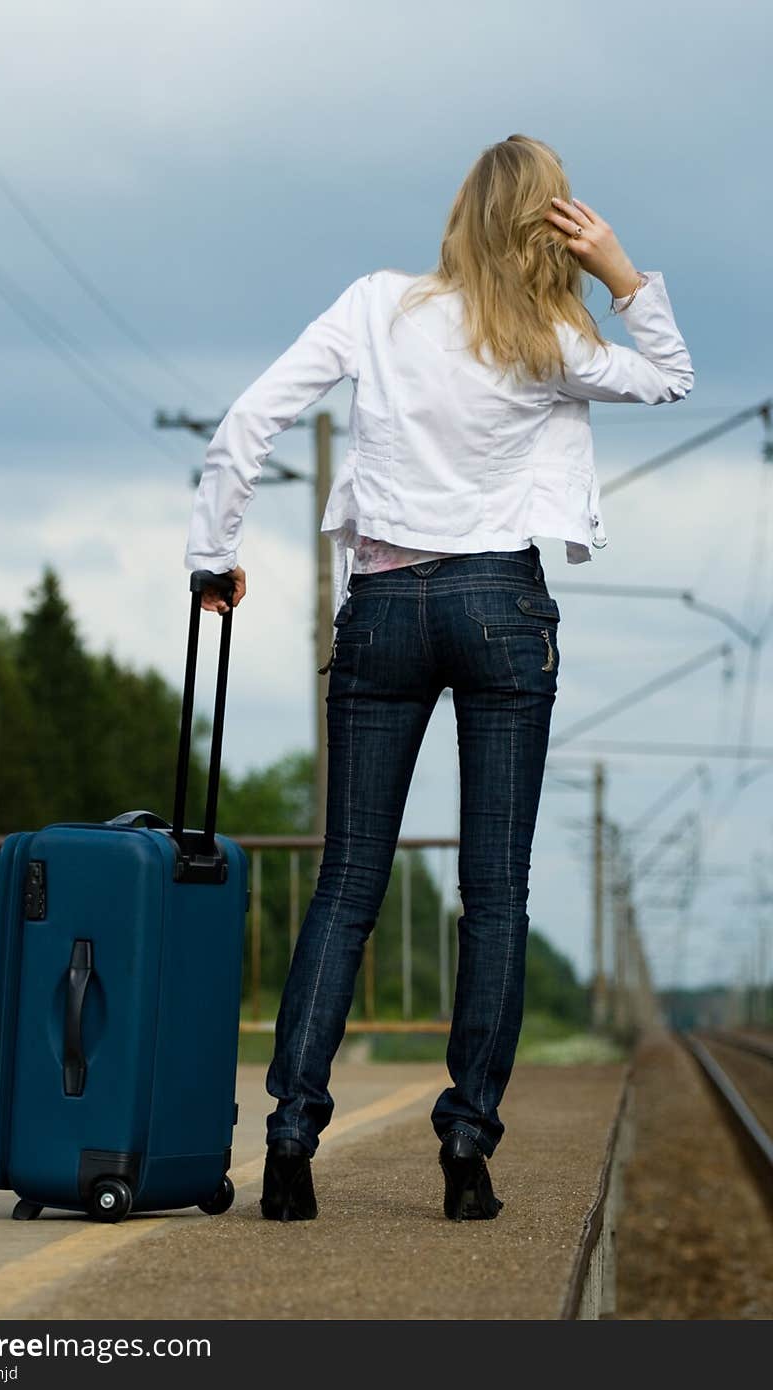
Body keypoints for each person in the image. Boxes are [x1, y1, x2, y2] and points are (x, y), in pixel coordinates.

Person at [185, 133, 693, 1222]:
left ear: (460, 212)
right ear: (548, 222)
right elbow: (670, 377)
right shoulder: (554, 335)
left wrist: (210, 555)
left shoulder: (377, 303)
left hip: (381, 610)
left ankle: (288, 1136)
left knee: (346, 882)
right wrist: (618, 270)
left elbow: (247, 422)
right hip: (501, 613)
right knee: (494, 892)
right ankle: (466, 1151)